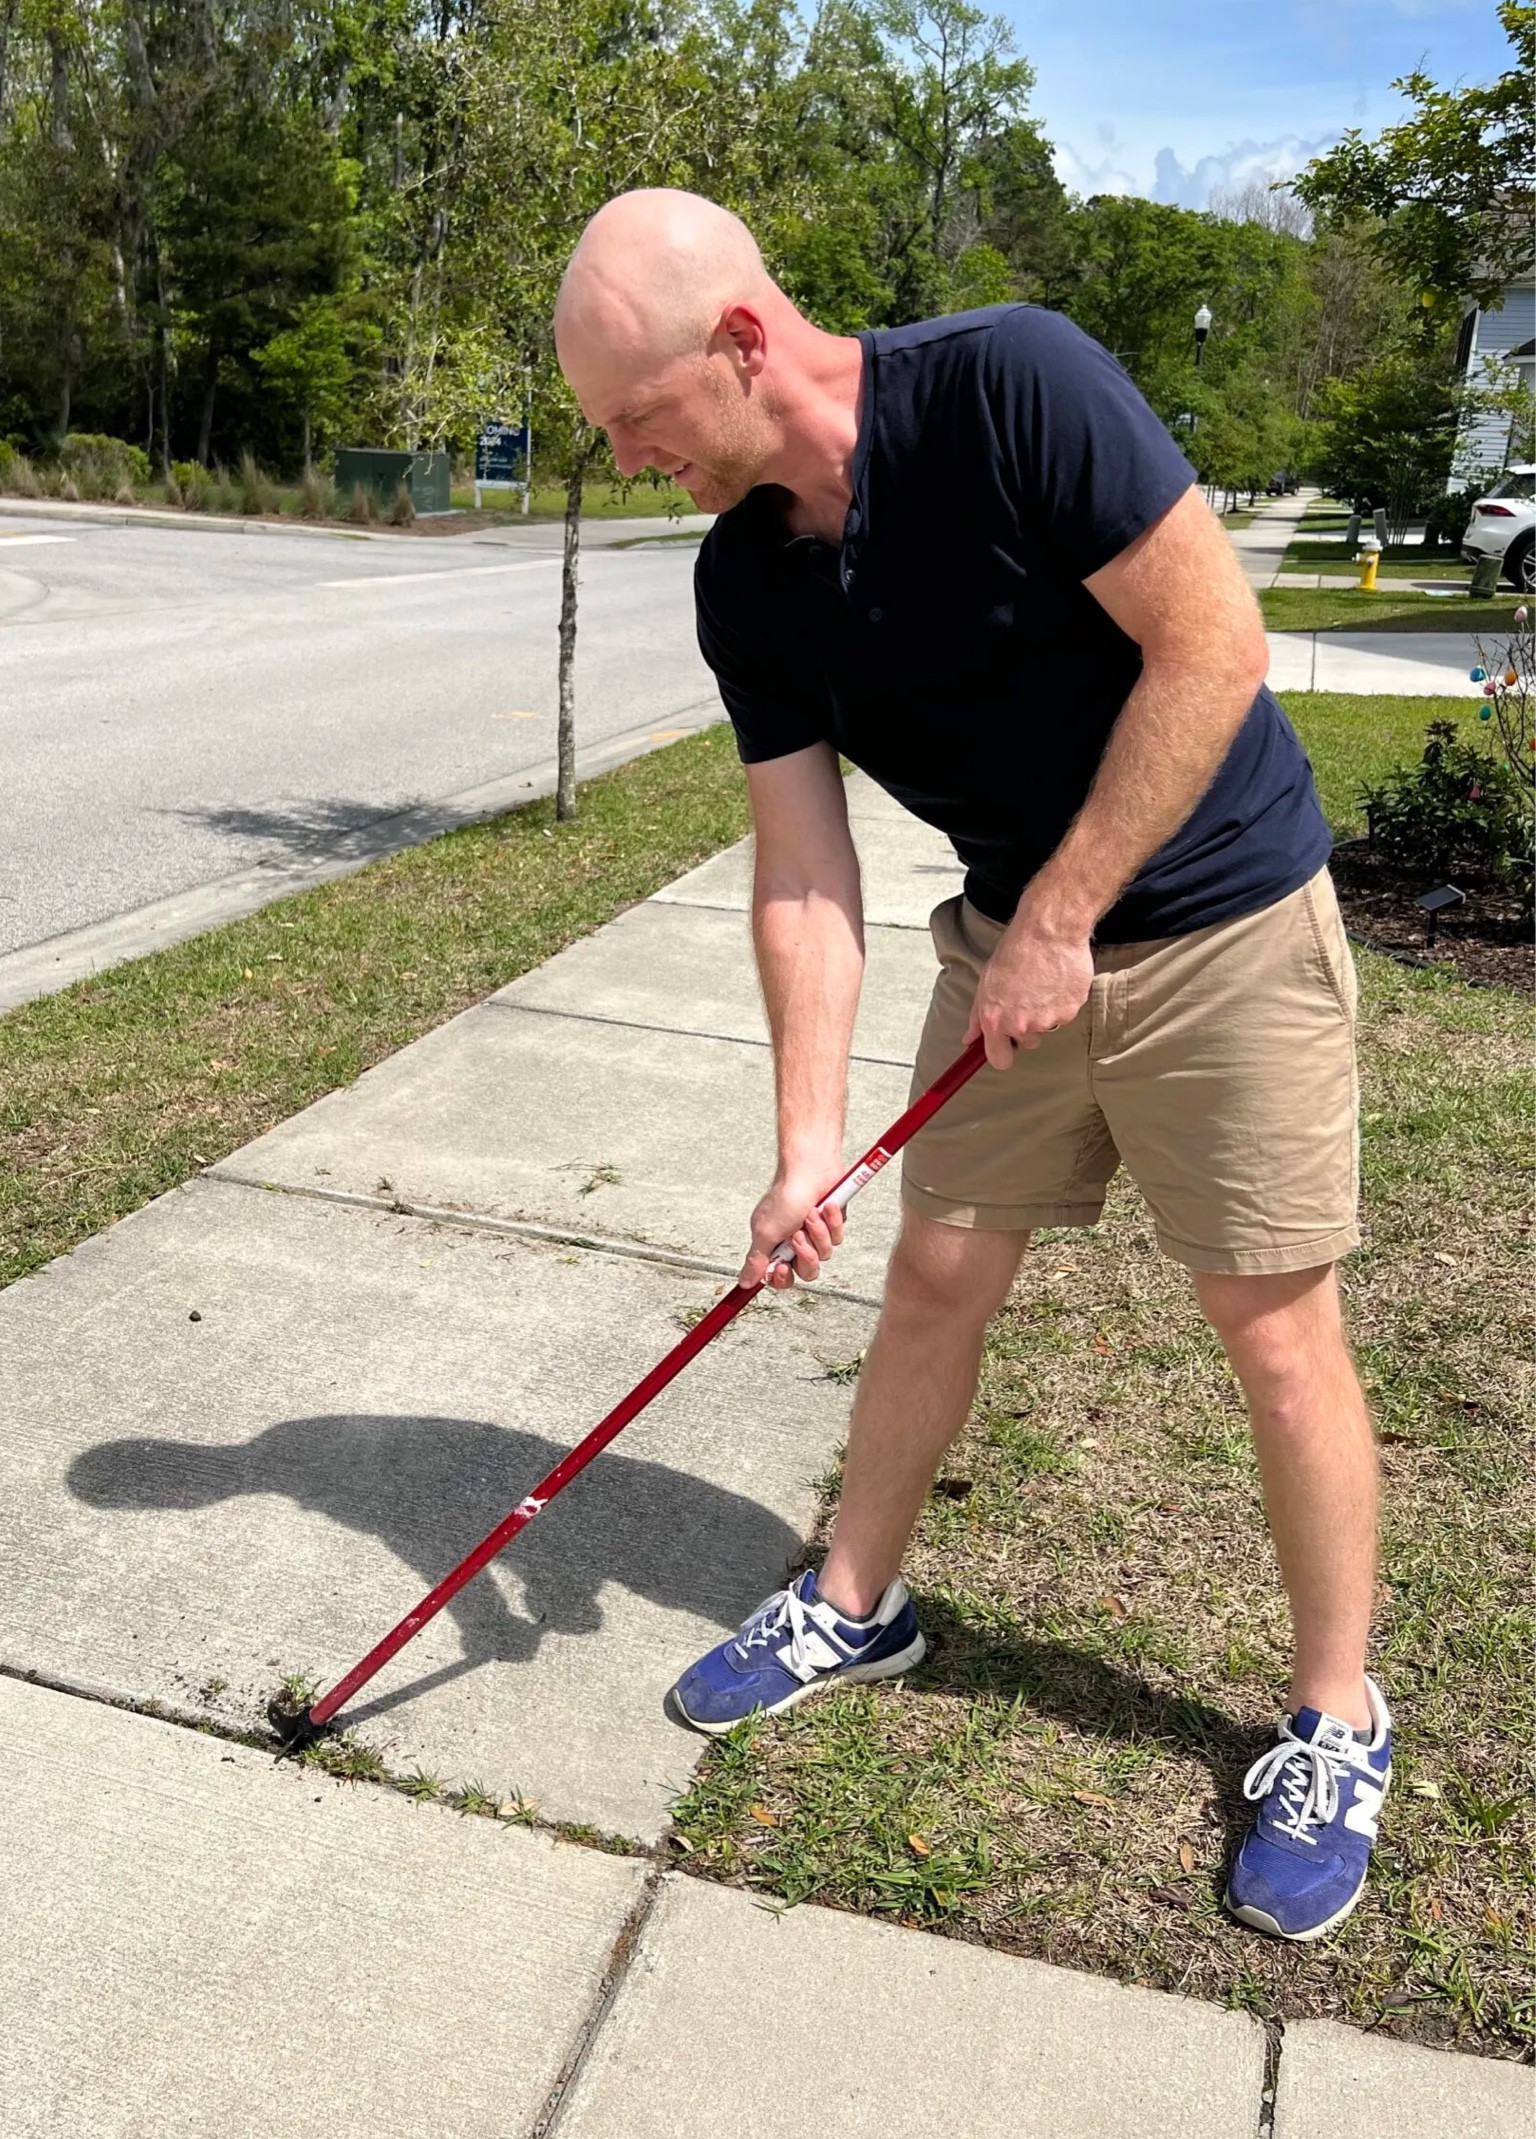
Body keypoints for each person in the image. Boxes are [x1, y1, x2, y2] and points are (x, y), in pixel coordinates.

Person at [555, 188, 1391, 1944]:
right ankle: (857, 1603)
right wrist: (807, 1145)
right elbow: (802, 866)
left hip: (1224, 913)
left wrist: (1068, 911)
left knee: (1272, 1325)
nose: (628, 457)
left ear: (741, 342)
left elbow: (1214, 644)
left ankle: (1336, 1720)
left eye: (636, 418)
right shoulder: (747, 580)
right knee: (933, 1271)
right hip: (1024, 942)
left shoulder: (1018, 384)